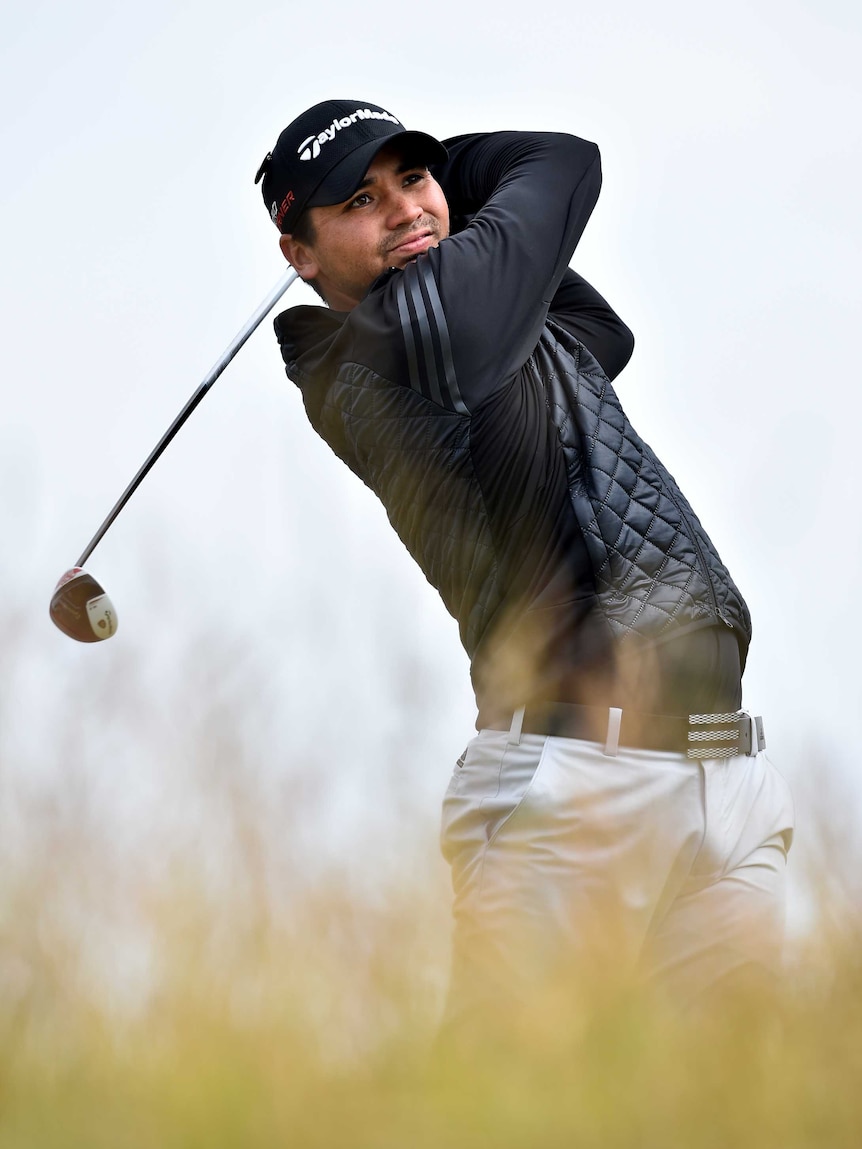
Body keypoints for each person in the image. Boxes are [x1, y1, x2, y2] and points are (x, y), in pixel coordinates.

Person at [254, 99, 795, 1033]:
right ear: (299, 255)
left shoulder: (488, 318)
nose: (402, 211)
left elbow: (602, 337)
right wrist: (446, 194)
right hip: (572, 787)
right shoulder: (389, 348)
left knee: (730, 1114)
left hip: (727, 778)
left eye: (413, 179)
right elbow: (563, 160)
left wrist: (427, 204)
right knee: (509, 1111)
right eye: (358, 201)